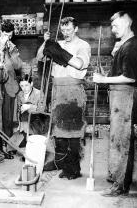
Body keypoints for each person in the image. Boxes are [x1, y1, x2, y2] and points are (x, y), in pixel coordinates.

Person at [93, 11, 137, 196]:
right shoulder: (124, 46)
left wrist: (102, 80)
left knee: (120, 140)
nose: (113, 30)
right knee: (118, 138)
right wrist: (114, 56)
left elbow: (129, 77)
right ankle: (119, 177)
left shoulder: (131, 47)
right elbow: (119, 73)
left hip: (125, 96)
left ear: (128, 22)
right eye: (112, 26)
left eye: (116, 25)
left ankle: (119, 186)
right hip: (119, 96)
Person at [36, 17, 91, 180]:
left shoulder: (83, 45)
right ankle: (60, 161)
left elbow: (79, 64)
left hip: (73, 91)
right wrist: (45, 44)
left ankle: (73, 168)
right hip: (58, 90)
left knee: (73, 132)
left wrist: (58, 51)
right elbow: (40, 58)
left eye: (68, 30)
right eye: (63, 30)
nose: (65, 33)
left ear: (76, 29)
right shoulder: (57, 44)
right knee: (58, 131)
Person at [0, 20, 23, 140]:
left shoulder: (13, 47)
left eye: (10, 35)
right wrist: (0, 48)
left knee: (8, 116)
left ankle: (7, 142)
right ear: (0, 32)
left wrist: (11, 52)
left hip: (9, 85)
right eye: (5, 35)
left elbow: (18, 66)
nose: (8, 38)